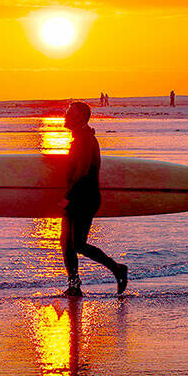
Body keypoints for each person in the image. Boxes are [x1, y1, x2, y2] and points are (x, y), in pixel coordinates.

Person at [61, 101, 128, 296]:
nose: (65, 115)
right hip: (79, 197)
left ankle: (117, 269)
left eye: (69, 112)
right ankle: (74, 286)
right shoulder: (81, 137)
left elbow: (82, 171)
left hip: (84, 198)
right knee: (66, 243)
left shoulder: (84, 139)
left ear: (80, 116)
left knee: (77, 244)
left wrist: (67, 196)